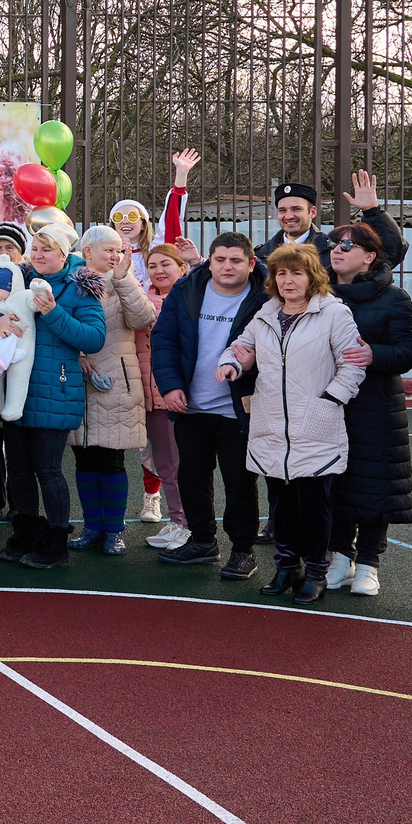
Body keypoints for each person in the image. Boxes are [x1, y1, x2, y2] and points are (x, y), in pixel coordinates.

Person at [214, 243, 366, 604]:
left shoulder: (334, 314)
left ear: (313, 276)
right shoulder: (266, 313)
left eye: (296, 272)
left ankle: (316, 571)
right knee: (280, 504)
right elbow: (238, 347)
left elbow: (353, 364)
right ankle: (286, 566)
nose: (288, 280)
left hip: (315, 426)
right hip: (270, 426)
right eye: (281, 273)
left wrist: (330, 400)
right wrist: (231, 364)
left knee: (314, 506)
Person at [151, 231, 270, 580]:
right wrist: (171, 386)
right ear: (210, 261)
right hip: (192, 406)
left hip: (239, 408)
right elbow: (164, 340)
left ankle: (243, 550)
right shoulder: (186, 289)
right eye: (220, 259)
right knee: (192, 476)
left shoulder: (266, 298)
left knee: (239, 482)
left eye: (236, 260)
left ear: (250, 264)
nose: (227, 267)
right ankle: (203, 541)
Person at [0, 223, 106, 569]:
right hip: (17, 390)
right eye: (36, 249)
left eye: (47, 250)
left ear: (64, 253)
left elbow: (93, 338)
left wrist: (53, 313)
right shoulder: (18, 280)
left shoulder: (79, 288)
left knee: (48, 469)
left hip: (56, 390)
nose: (39, 256)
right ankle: (25, 533)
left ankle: (56, 542)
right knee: (19, 470)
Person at [323, 222, 412, 596]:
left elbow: (410, 351)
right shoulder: (319, 296)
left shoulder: (394, 298)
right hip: (330, 403)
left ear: (369, 256)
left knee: (376, 485)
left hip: (377, 407)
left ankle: (368, 564)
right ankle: (338, 558)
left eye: (348, 244)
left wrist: (373, 354)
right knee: (334, 482)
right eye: (334, 244)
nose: (338, 250)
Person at [68, 225, 158, 556]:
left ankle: (114, 531)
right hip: (77, 380)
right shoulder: (70, 283)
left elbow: (143, 318)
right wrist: (77, 357)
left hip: (116, 382)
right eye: (108, 249)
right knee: (83, 459)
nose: (115, 255)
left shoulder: (124, 283)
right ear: (86, 252)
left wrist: (124, 279)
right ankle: (92, 526)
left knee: (112, 460)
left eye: (119, 250)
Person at [138, 239, 197, 548]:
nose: (158, 271)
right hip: (150, 397)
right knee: (163, 463)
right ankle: (177, 520)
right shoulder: (139, 300)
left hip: (176, 395)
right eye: (152, 265)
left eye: (166, 264)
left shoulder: (190, 297)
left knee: (178, 464)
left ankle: (187, 524)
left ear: (181, 268)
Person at [261, 170, 406, 269]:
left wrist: (372, 211)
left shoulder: (335, 250)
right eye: (282, 210)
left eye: (296, 209)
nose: (289, 216)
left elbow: (391, 255)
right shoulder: (261, 255)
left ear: (313, 212)